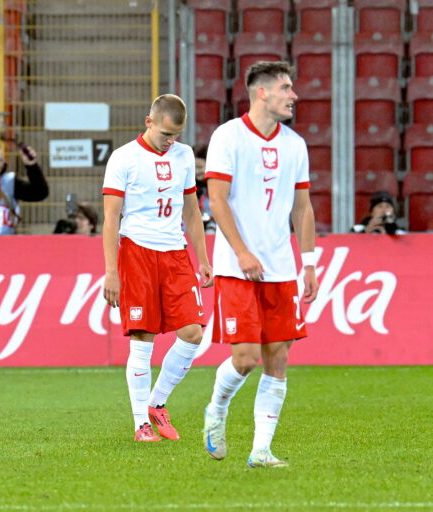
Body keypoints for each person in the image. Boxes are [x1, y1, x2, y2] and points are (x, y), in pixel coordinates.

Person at [202, 61, 319, 468]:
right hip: (237, 268)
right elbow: (217, 199)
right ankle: (216, 408)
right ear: (262, 92)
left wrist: (309, 263)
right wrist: (242, 252)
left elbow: (302, 209)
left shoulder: (295, 144)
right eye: (286, 88)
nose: (293, 95)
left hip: (281, 269)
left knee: (278, 357)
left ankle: (261, 450)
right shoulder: (228, 136)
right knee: (246, 358)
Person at [102, 94, 214, 442]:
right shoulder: (124, 158)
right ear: (149, 122)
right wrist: (111, 271)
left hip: (175, 253)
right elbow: (110, 219)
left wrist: (203, 258)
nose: (171, 141)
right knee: (142, 338)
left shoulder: (182, 155)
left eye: (176, 135)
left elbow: (191, 212)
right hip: (136, 252)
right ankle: (141, 425)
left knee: (193, 333)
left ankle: (157, 402)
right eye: (166, 134)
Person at [193, 145, 215, 233]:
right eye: (193, 167)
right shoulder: (191, 186)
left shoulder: (217, 187)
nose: (196, 172)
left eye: (200, 167)